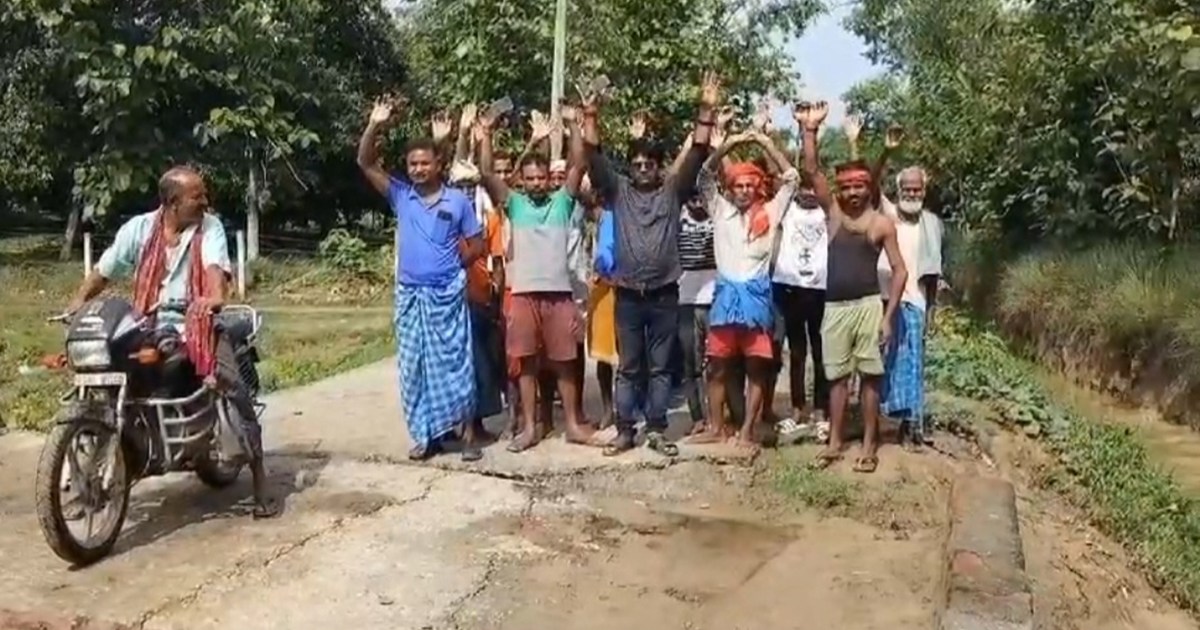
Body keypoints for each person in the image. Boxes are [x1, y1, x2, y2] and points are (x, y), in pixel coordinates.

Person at [65, 166, 279, 518]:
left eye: (204, 194)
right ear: (171, 203)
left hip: (197, 323)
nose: (205, 201)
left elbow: (214, 270)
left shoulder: (209, 228)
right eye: (197, 196)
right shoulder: (138, 229)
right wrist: (77, 303)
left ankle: (260, 480)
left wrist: (212, 298)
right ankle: (93, 477)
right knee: (102, 378)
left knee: (230, 385)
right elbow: (104, 270)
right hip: (145, 324)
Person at [583, 73, 719, 457]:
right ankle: (626, 430)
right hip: (627, 294)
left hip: (664, 295)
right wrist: (591, 114)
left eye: (649, 164)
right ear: (630, 167)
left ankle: (656, 429)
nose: (643, 168)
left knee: (660, 368)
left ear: (660, 167)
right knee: (629, 367)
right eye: (637, 164)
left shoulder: (673, 191)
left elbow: (697, 153)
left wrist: (706, 110)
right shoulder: (617, 191)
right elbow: (593, 156)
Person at [357, 96, 485, 461]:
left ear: (439, 165)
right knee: (414, 368)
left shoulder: (457, 201)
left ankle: (467, 436)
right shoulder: (401, 196)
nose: (417, 169)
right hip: (410, 295)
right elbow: (365, 162)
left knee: (455, 365)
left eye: (424, 163)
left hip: (446, 294)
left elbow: (477, 243)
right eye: (412, 164)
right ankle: (426, 436)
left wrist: (454, 265)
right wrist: (374, 124)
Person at [797, 100, 907, 474]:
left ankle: (869, 444)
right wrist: (809, 130)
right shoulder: (834, 214)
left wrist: (888, 316)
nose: (853, 192)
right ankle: (835, 442)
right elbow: (811, 170)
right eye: (846, 186)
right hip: (834, 308)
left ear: (869, 187)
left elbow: (900, 270)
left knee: (871, 379)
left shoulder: (880, 224)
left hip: (867, 306)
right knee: (837, 378)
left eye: (860, 186)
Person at [479, 101, 596, 452]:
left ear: (549, 178)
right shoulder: (514, 204)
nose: (534, 183)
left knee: (564, 363)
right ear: (522, 181)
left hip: (559, 296)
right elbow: (486, 174)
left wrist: (574, 124)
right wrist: (485, 133)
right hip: (524, 296)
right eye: (528, 179)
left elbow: (578, 164)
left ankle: (573, 424)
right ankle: (530, 427)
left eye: (540, 178)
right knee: (526, 364)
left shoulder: (563, 202)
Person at [689, 129, 800, 453]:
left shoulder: (771, 211)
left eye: (750, 185)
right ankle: (715, 426)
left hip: (756, 299)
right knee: (717, 367)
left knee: (757, 368)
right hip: (725, 300)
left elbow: (791, 179)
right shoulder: (720, 209)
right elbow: (704, 176)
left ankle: (748, 429)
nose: (744, 191)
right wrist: (729, 145)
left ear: (758, 187)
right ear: (730, 188)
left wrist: (765, 143)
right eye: (738, 186)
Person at [770, 171, 830, 440]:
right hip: (791, 289)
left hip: (819, 291)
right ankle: (797, 408)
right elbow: (782, 174)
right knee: (796, 353)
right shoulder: (788, 209)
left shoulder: (827, 211)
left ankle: (820, 409)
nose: (807, 192)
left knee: (821, 354)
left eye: (812, 188)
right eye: (802, 187)